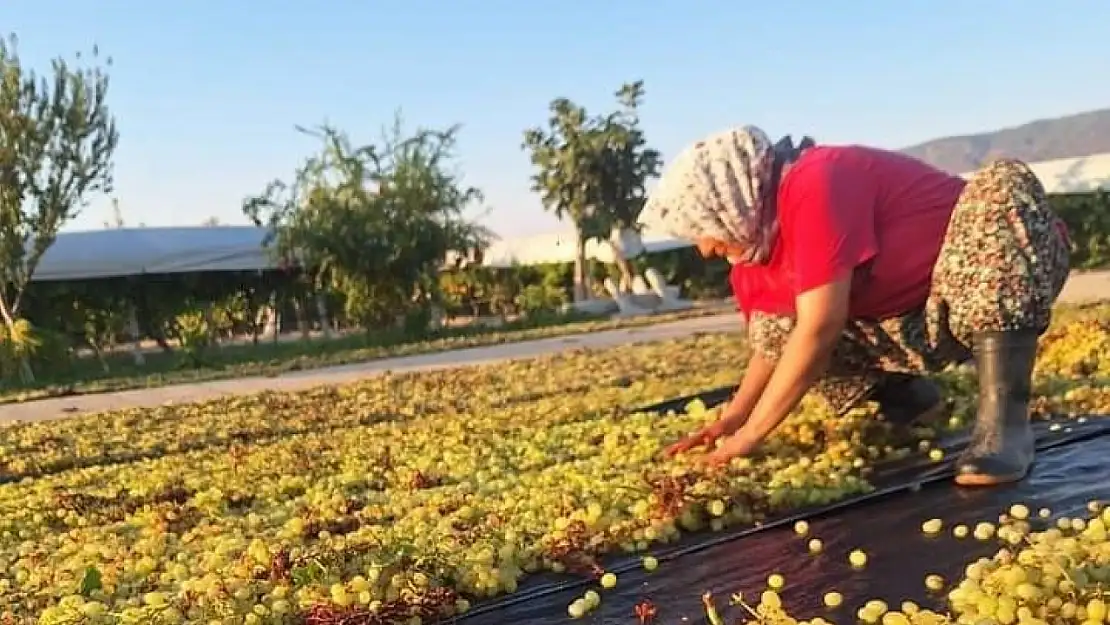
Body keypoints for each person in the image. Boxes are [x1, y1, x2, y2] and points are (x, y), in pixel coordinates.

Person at [644, 126, 1070, 487]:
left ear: (730, 200)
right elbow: (771, 345)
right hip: (922, 319)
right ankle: (911, 401)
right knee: (776, 325)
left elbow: (819, 327)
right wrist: (732, 418)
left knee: (1000, 183)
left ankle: (1005, 427)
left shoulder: (816, 181)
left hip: (1008, 275)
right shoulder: (755, 250)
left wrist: (752, 436)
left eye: (702, 229)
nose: (702, 249)